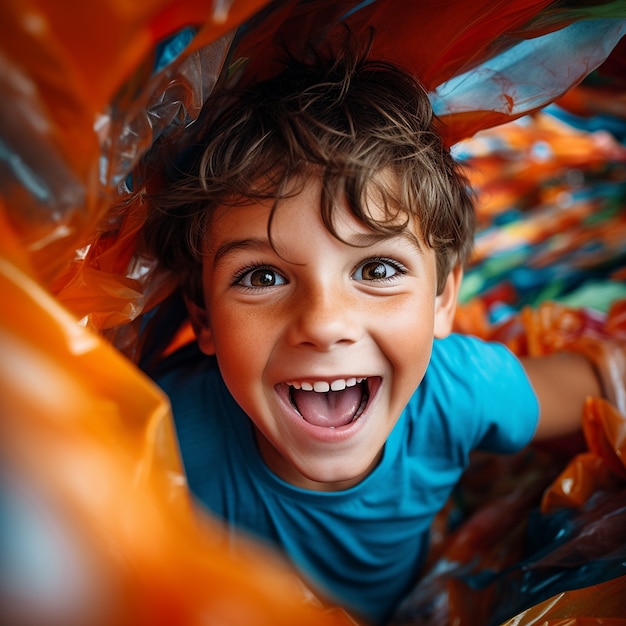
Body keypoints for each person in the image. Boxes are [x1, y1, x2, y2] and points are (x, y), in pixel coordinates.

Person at [140, 45, 605, 625]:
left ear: (442, 298)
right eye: (262, 276)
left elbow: (603, 384)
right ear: (204, 319)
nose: (325, 323)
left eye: (376, 270)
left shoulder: (454, 393)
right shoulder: (162, 436)